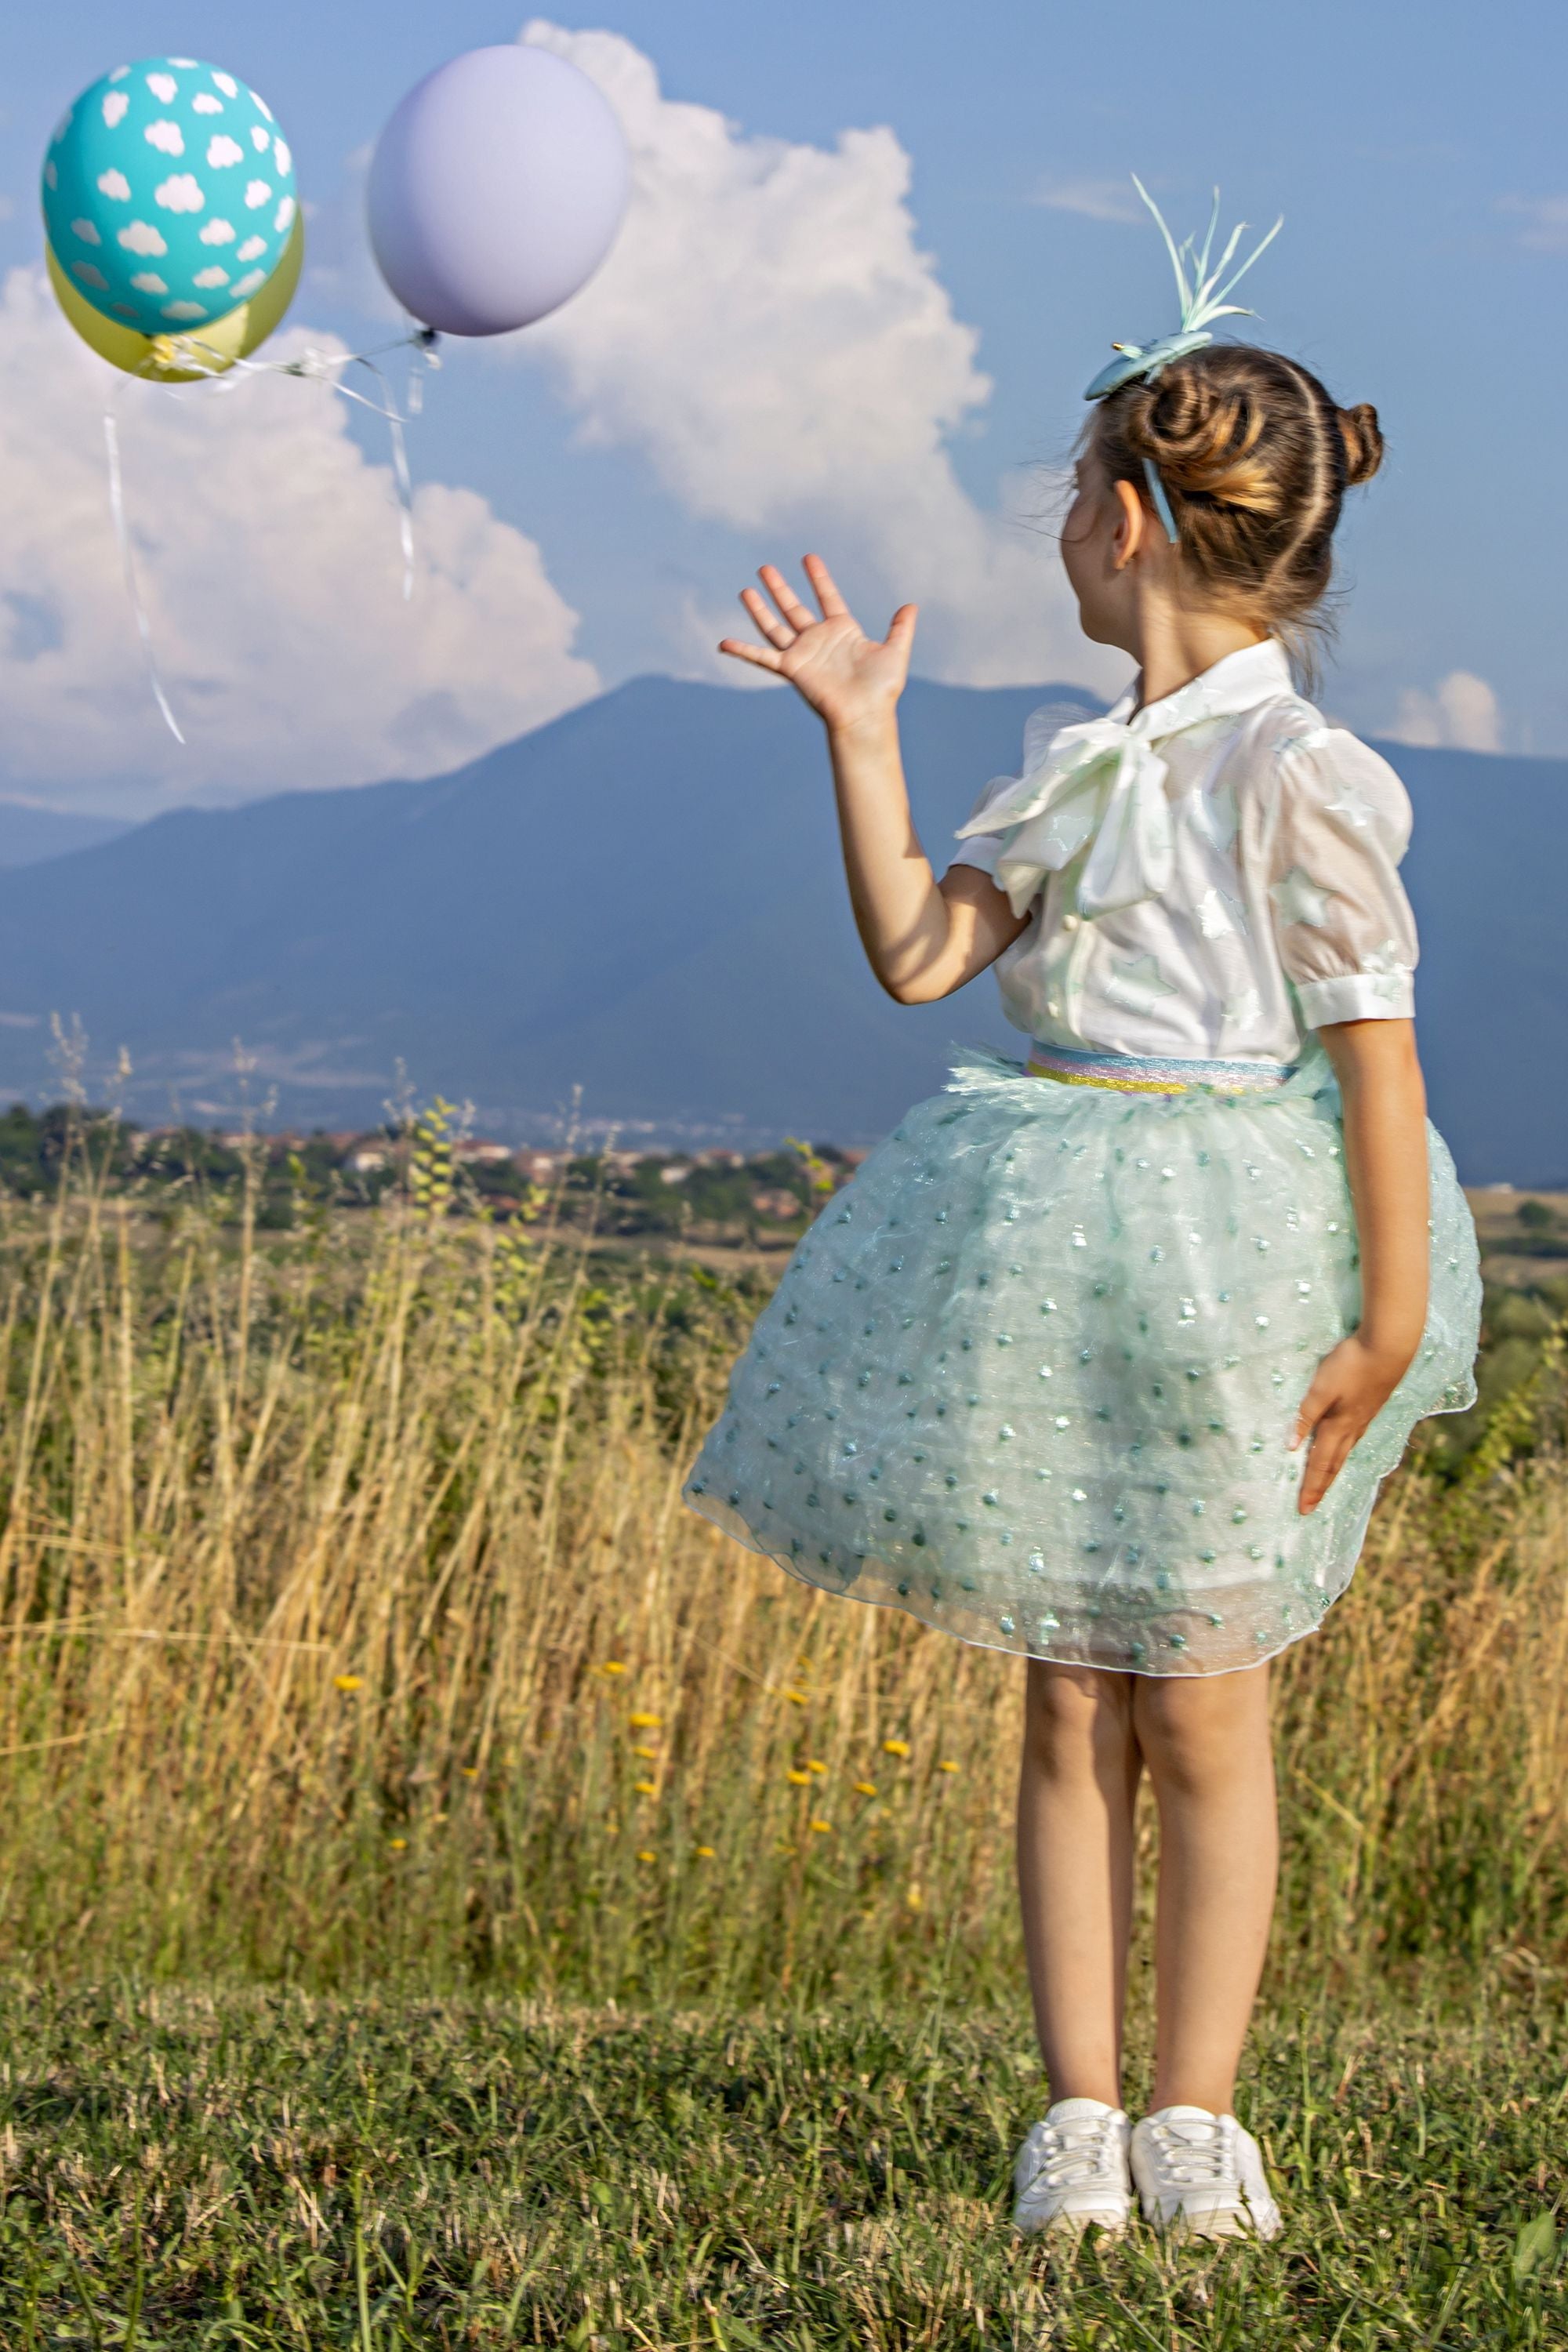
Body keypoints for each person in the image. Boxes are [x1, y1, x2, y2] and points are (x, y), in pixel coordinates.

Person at [682, 187, 1480, 2242]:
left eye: (1067, 492)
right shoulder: (1072, 769)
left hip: (1234, 1262)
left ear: (1129, 519)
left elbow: (1376, 1059)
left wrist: (1389, 1328)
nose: (1050, 527)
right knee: (1065, 1688)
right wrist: (861, 738)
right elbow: (923, 959)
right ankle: (1079, 2113)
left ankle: (1197, 2115)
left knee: (1206, 1696)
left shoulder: (1297, 777)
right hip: (1054, 1246)